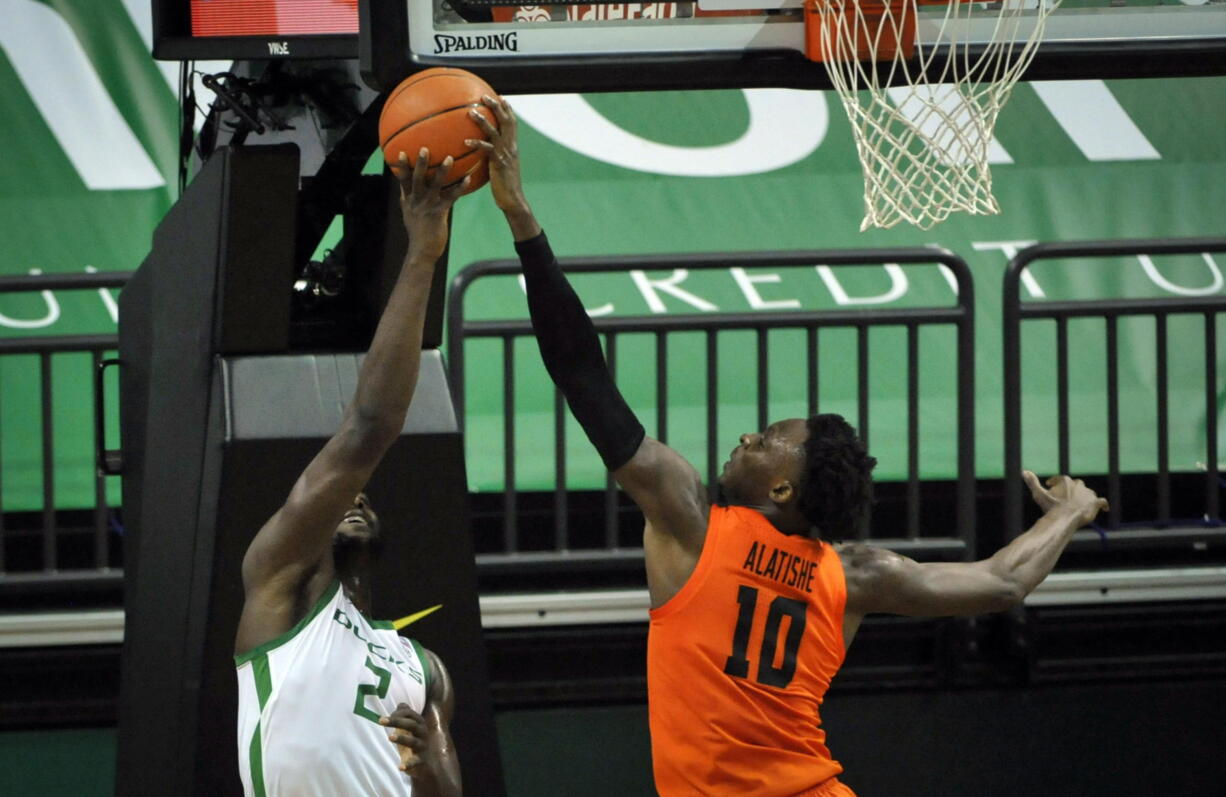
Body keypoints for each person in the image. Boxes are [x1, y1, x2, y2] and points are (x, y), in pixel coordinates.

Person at [467, 96, 1110, 797]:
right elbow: (1003, 581)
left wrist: (521, 219)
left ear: (783, 490)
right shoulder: (855, 574)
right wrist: (1067, 513)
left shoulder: (690, 521)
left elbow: (580, 370)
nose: (749, 436)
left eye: (770, 440)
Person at [233, 149, 466, 797]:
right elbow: (369, 427)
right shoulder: (277, 585)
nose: (353, 495)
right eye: (341, 496)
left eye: (364, 496)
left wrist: (430, 764)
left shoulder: (427, 668)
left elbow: (446, 792)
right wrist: (421, 255)